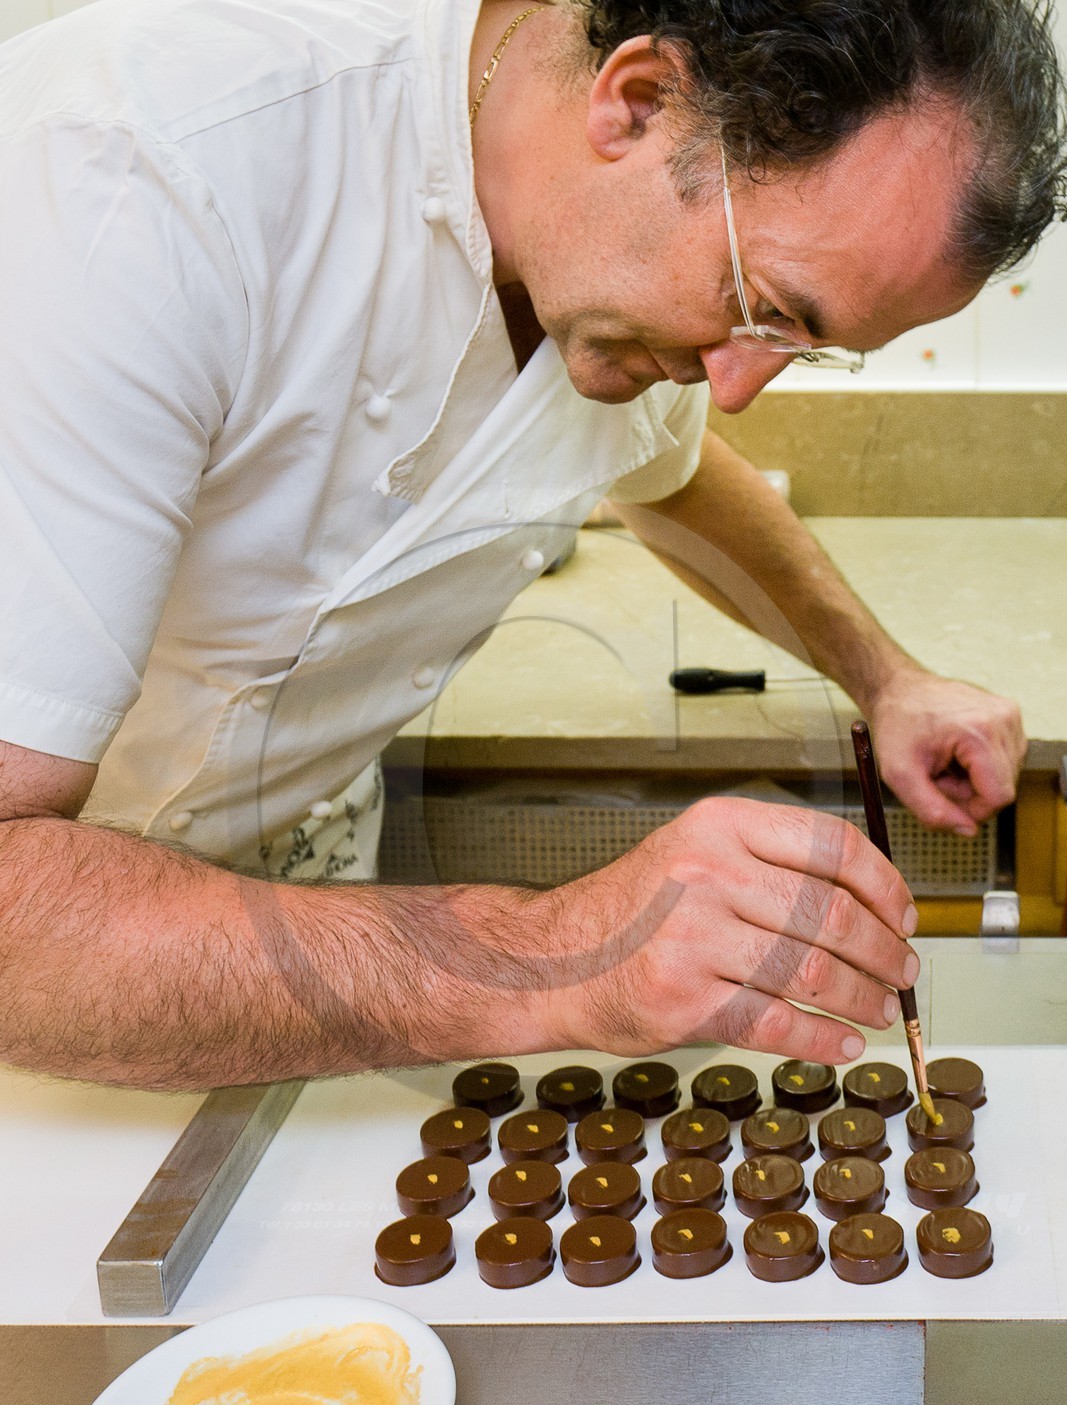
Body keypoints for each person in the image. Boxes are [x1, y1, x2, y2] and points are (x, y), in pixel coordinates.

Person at [0, 0, 1059, 1088]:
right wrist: (551, 955)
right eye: (762, 306)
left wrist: (881, 678)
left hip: (282, 906)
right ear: (638, 102)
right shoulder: (134, 172)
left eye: (807, 345)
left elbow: (676, 471)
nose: (738, 388)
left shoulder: (614, 270)